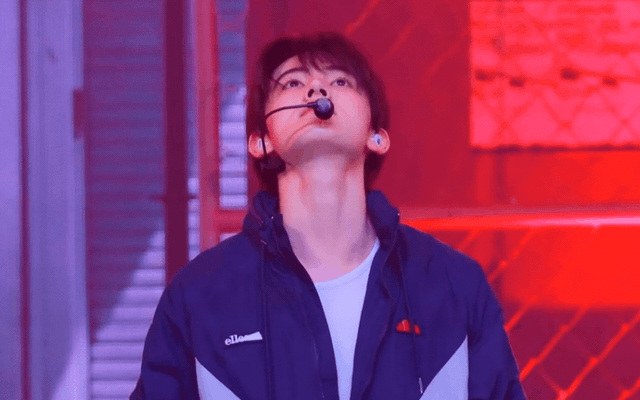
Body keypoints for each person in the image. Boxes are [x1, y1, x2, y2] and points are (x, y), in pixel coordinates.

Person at [131, 32, 527, 400]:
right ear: (260, 141)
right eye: (292, 83)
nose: (316, 90)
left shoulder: (453, 285)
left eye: (340, 81)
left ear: (377, 136)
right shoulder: (199, 295)